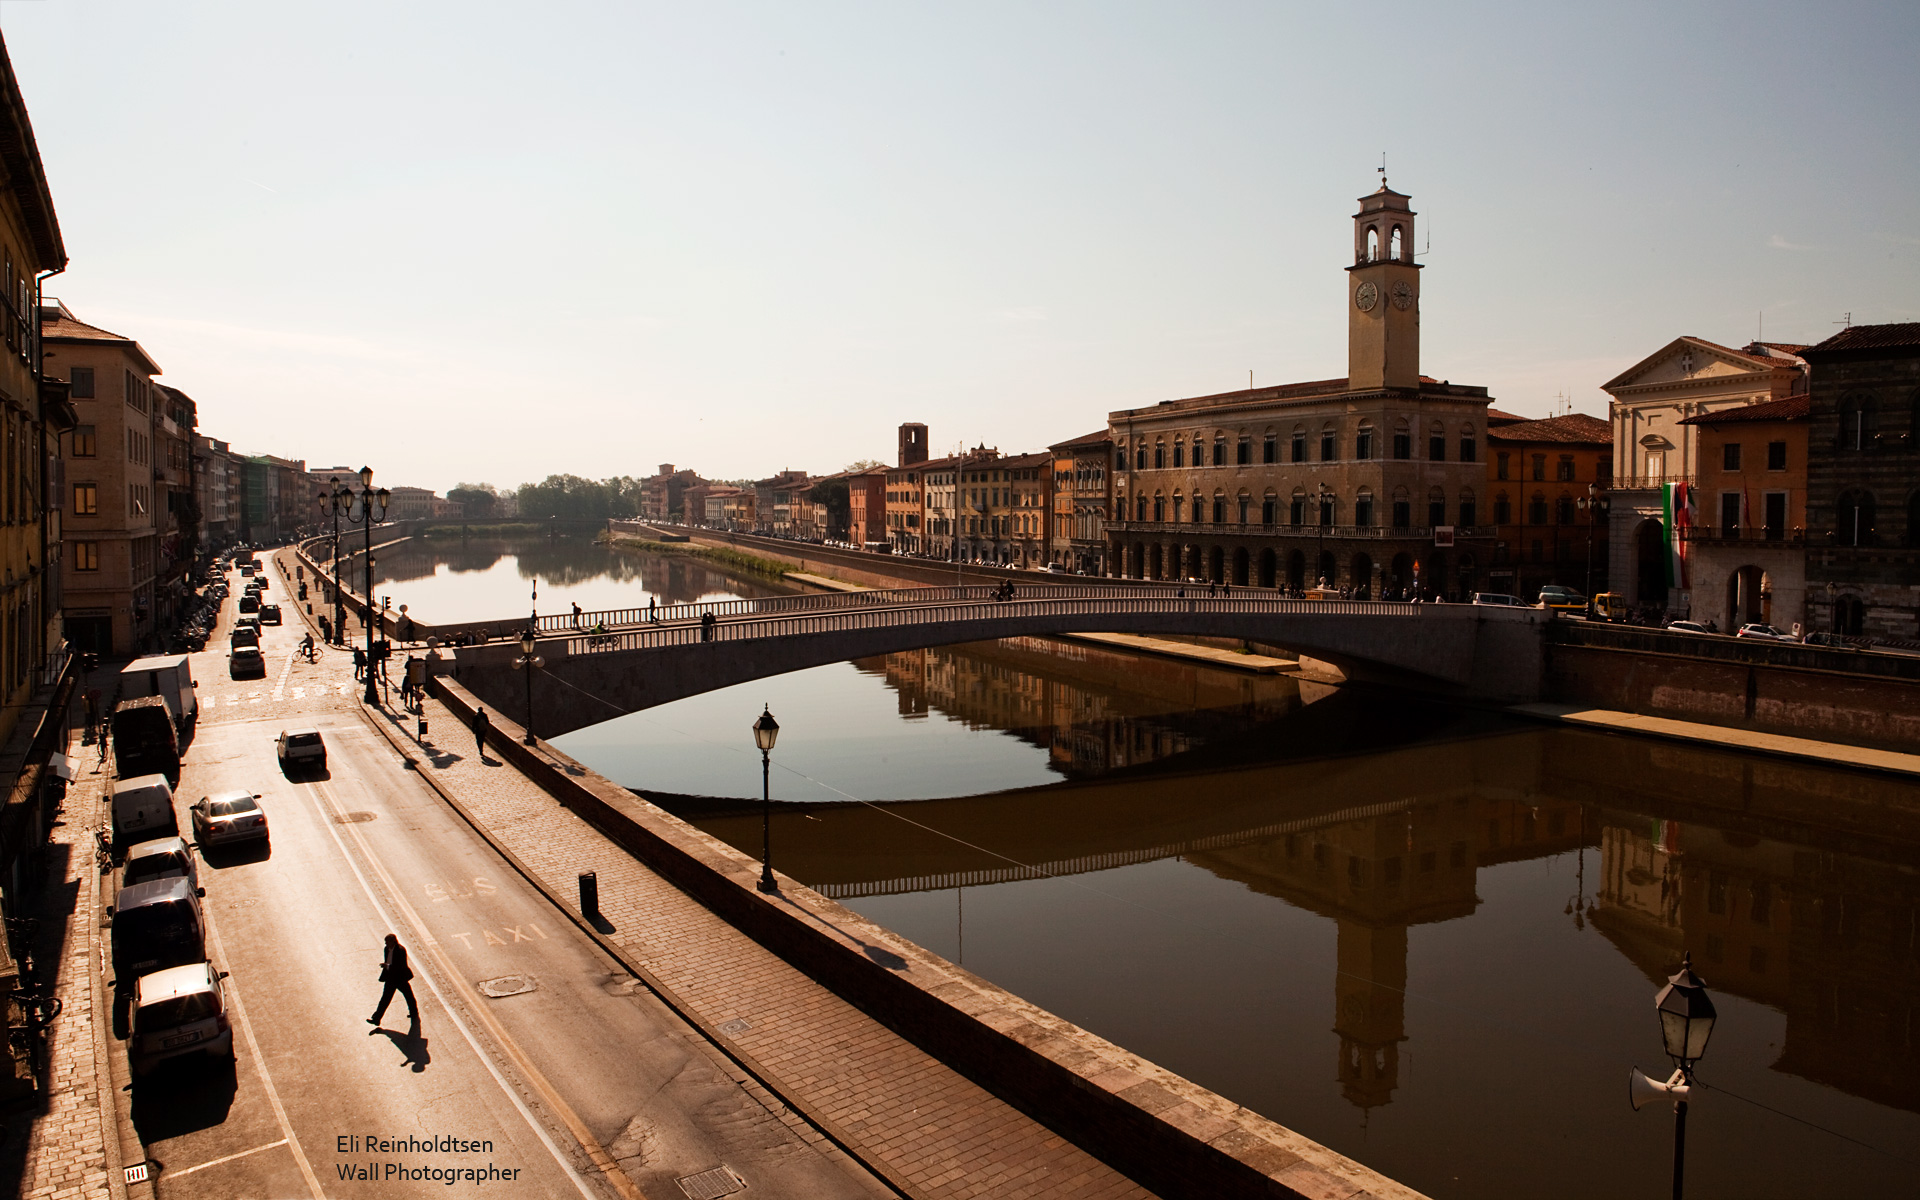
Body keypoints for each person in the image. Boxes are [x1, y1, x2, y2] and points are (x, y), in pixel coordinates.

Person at [367, 933, 418, 1028]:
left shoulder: (401, 950)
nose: (386, 944)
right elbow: (387, 961)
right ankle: (376, 1018)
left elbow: (401, 966)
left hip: (400, 978)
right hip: (390, 978)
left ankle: (414, 1013)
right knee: (385, 999)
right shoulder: (386, 949)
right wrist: (386, 968)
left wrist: (387, 966)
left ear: (393, 941)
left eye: (387, 942)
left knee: (409, 996)